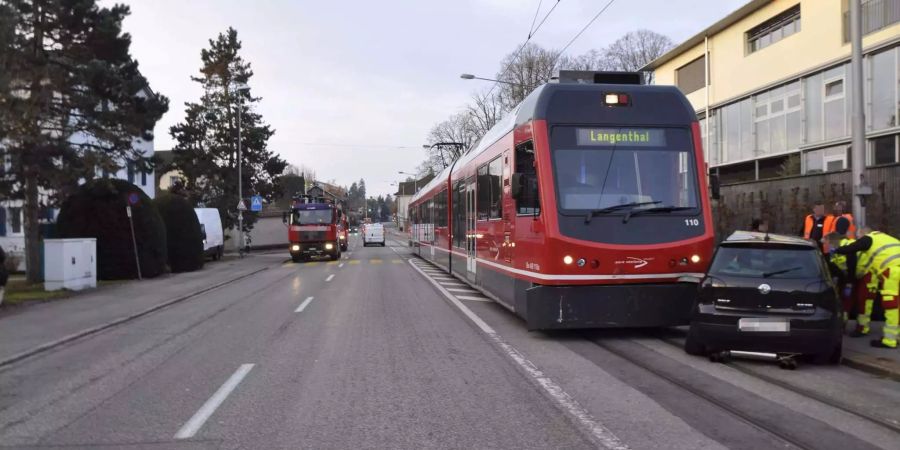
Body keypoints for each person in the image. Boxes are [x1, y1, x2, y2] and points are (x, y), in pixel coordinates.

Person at [833, 227, 900, 348]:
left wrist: (836, 250)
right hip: (895, 270)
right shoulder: (888, 239)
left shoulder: (870, 238)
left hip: (891, 272)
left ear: (863, 235)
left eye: (859, 237)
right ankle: (896, 336)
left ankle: (889, 340)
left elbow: (853, 248)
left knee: (891, 305)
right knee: (898, 305)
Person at [827, 218, 877, 336]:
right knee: (848, 300)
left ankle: (862, 327)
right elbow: (836, 266)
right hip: (854, 274)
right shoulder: (838, 246)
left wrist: (849, 282)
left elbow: (851, 263)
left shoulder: (847, 245)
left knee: (862, 301)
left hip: (865, 273)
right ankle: (846, 325)